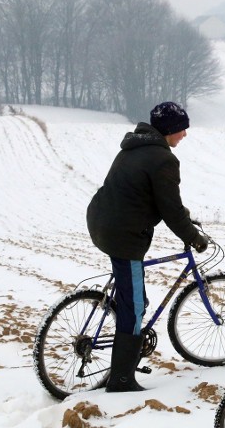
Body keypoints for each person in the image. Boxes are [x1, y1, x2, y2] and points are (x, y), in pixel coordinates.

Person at [87, 101, 208, 393]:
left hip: (103, 222)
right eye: (181, 129)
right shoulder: (163, 159)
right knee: (135, 307)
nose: (185, 135)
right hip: (124, 235)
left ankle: (127, 330)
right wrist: (194, 237)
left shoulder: (133, 148)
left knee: (133, 297)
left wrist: (185, 217)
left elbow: (152, 196)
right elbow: (168, 208)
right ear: (168, 130)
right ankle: (121, 380)